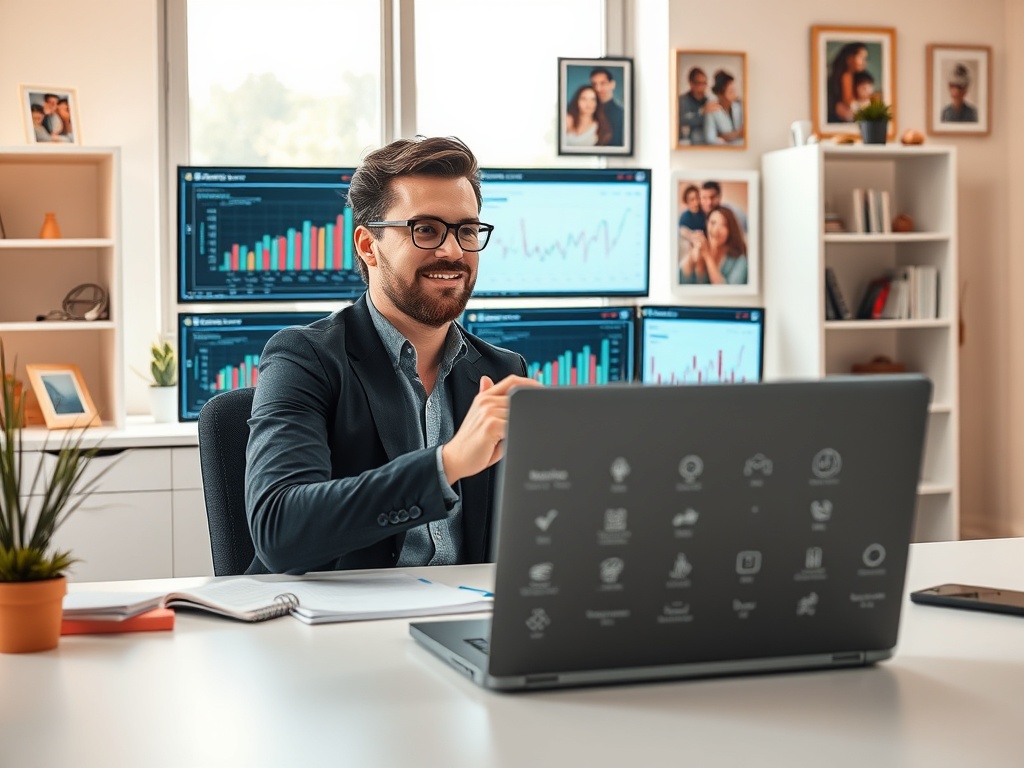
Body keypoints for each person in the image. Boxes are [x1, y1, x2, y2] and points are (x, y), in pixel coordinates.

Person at [244, 136, 541, 575]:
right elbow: (281, 531)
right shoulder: (303, 358)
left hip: (460, 615)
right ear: (369, 246)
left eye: (467, 230)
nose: (453, 251)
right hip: (336, 626)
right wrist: (449, 462)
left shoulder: (501, 371)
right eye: (425, 230)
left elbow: (522, 534)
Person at [679, 205, 748, 286]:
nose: (716, 230)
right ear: (706, 224)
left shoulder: (740, 261)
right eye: (713, 223)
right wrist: (691, 258)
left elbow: (729, 292)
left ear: (730, 230)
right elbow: (682, 282)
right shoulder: (700, 248)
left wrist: (707, 256)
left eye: (723, 225)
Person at [827, 42, 868, 123]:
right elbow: (848, 104)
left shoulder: (856, 78)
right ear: (849, 58)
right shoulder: (844, 76)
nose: (864, 62)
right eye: (861, 57)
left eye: (865, 58)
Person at [678, 67, 719, 145]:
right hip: (688, 142)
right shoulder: (682, 101)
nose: (703, 87)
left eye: (705, 83)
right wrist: (702, 112)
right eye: (699, 83)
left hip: (706, 142)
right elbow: (683, 120)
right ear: (691, 84)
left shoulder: (709, 101)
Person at [704, 70, 744, 146]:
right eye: (730, 91)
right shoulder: (711, 109)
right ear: (720, 93)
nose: (734, 93)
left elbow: (745, 133)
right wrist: (735, 135)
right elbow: (710, 139)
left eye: (733, 90)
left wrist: (725, 136)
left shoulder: (738, 107)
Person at [589, 66, 624, 146]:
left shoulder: (620, 114)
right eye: (594, 84)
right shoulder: (587, 111)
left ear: (612, 85)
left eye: (603, 83)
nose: (598, 89)